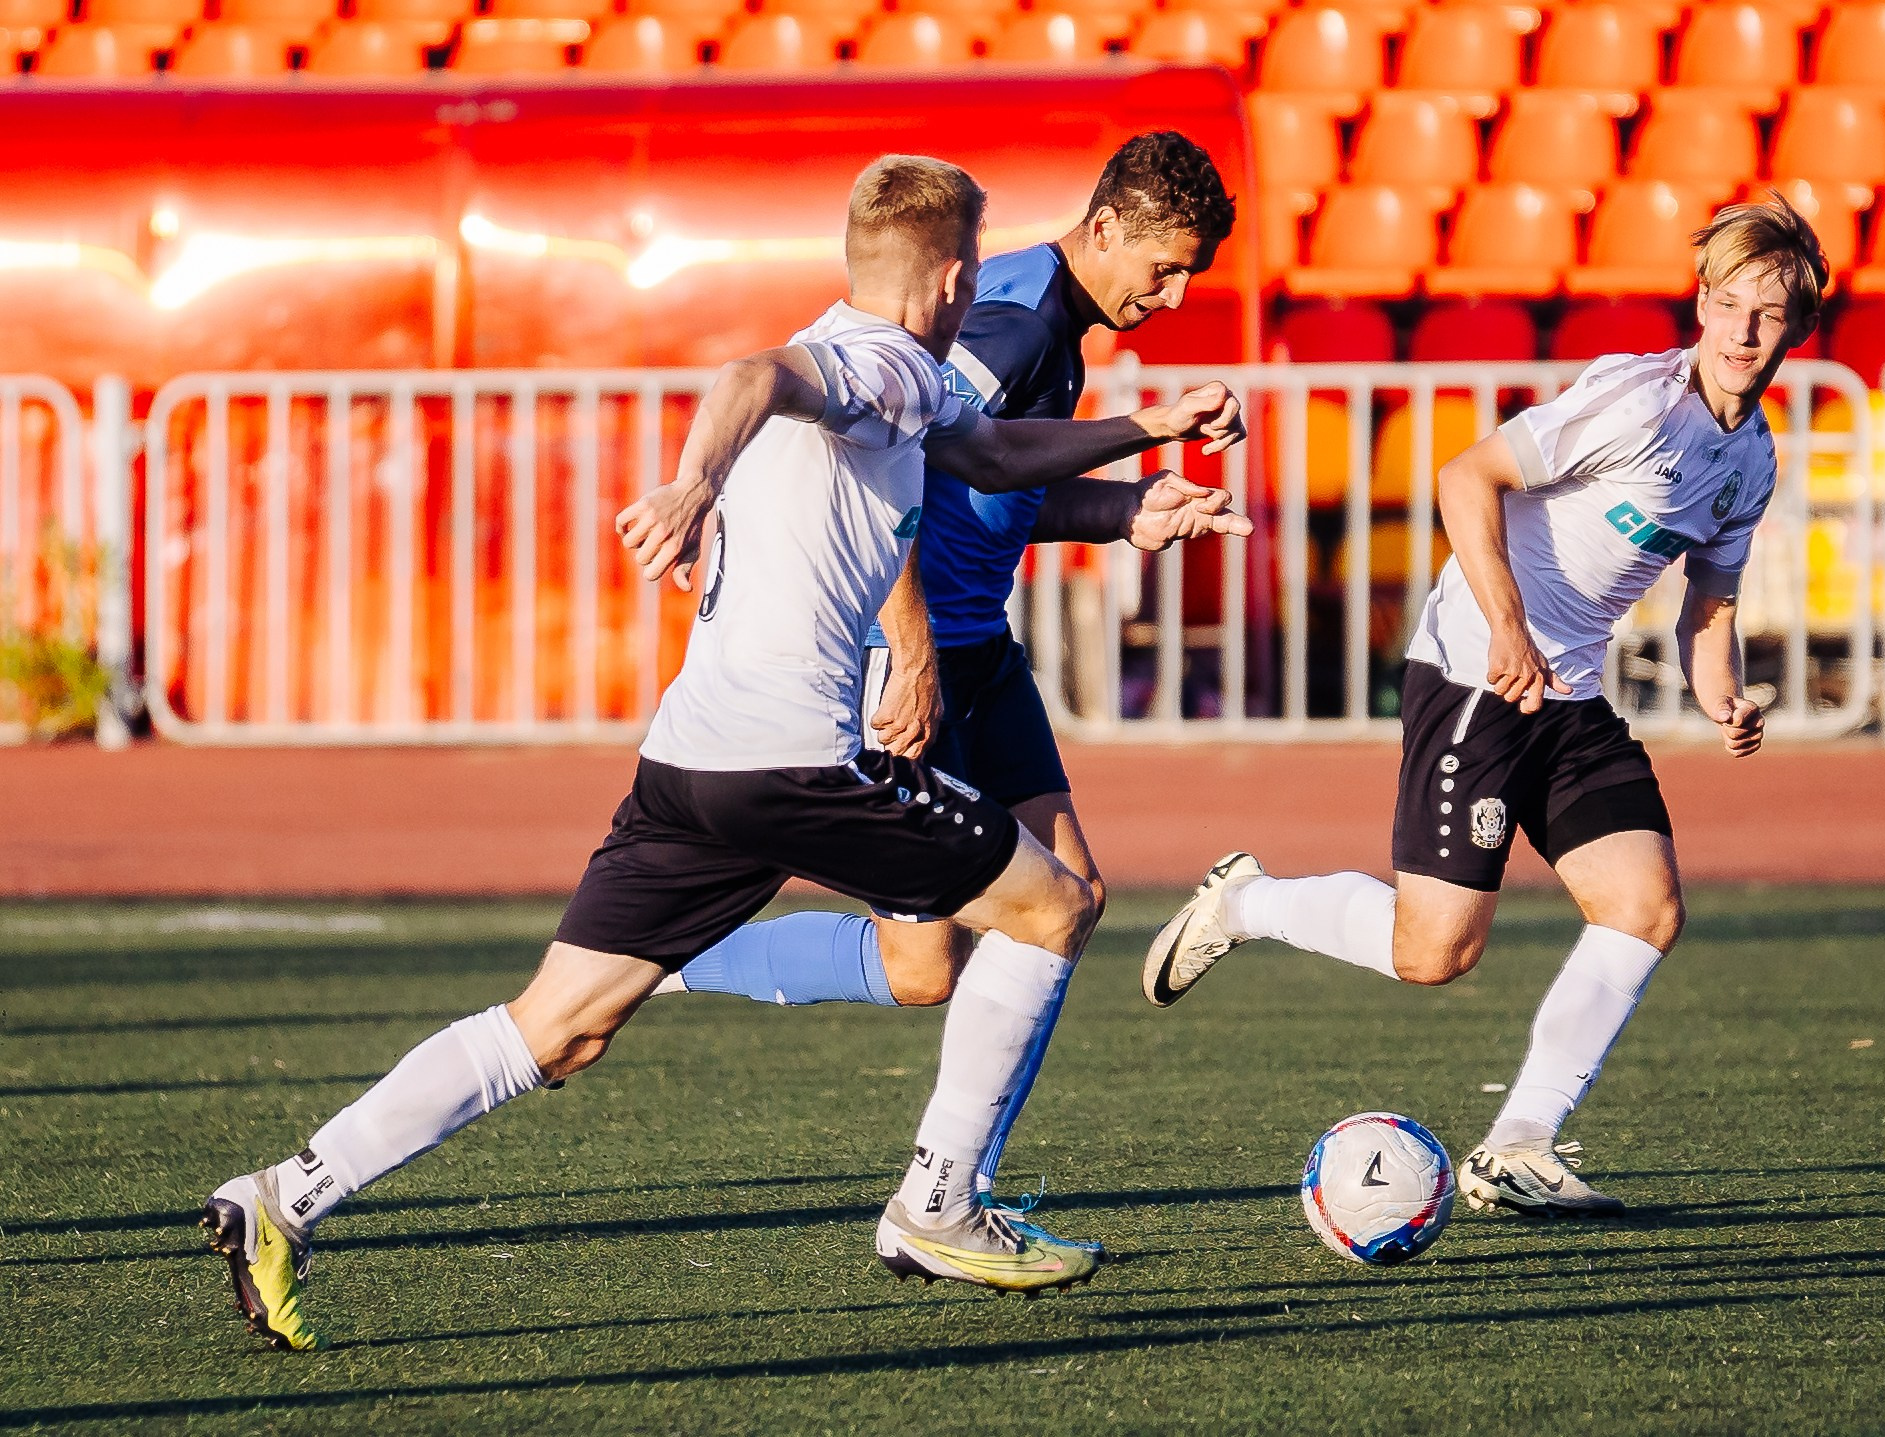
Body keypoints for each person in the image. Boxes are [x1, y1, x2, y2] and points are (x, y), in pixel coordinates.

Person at [200, 153, 1248, 1351]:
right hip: (799, 767)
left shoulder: (901, 371)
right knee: (1053, 909)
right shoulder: (873, 361)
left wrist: (1143, 437)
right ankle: (940, 1203)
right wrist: (694, 482)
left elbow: (996, 460)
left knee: (558, 1029)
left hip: (690, 766)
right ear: (954, 278)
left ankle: (285, 1194)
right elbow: (753, 372)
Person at [1142, 195, 1828, 1218]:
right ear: (1698, 303)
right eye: (1725, 305)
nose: (1739, 331)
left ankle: (1517, 1145)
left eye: (1764, 315)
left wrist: (1725, 697)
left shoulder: (1749, 458)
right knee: (1434, 952)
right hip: (1478, 670)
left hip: (1570, 691)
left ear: (1795, 326)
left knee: (1643, 909)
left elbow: (1709, 608)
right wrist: (1506, 627)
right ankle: (1244, 904)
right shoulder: (1634, 403)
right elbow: (1465, 476)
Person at [655, 132, 1242, 1218]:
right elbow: (894, 465)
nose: (1170, 295)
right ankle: (677, 953)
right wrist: (911, 646)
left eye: (1189, 275)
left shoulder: (1054, 323)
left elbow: (1000, 485)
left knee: (1069, 899)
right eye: (1161, 267)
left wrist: (1128, 511)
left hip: (984, 652)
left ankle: (949, 1190)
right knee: (924, 967)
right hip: (921, 655)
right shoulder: (1014, 319)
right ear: (1104, 226)